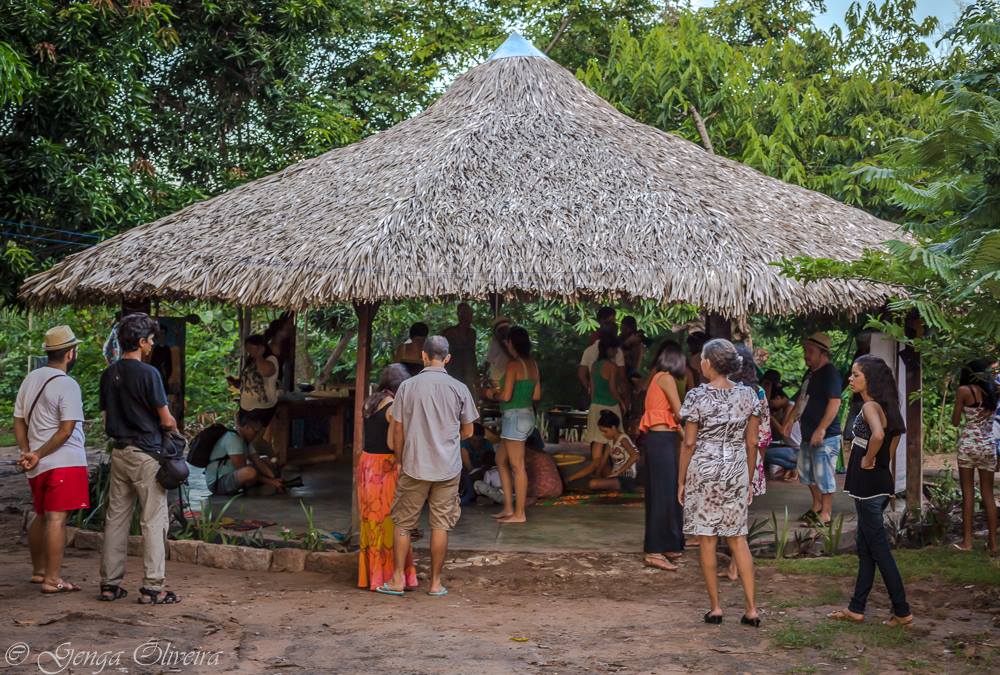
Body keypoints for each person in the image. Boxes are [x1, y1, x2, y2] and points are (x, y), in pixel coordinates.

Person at [379, 336, 479, 597]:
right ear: (447, 358)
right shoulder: (459, 388)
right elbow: (469, 431)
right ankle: (435, 584)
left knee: (403, 523)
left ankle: (398, 580)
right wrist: (448, 438)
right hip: (447, 468)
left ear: (423, 356)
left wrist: (400, 459)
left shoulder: (407, 387)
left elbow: (398, 429)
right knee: (440, 525)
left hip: (414, 464)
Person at [678, 338, 761, 627]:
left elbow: (689, 443)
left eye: (702, 358)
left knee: (707, 539)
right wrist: (748, 478)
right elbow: (752, 442)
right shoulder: (749, 395)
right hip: (736, 468)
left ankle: (715, 608)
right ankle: (752, 610)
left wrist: (681, 480)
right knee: (738, 538)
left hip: (704, 469)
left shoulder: (696, 396)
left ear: (708, 364)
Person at [99, 313, 180, 605]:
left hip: (119, 452)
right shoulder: (149, 374)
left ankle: (110, 584)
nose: (153, 344)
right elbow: (166, 419)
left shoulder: (109, 374)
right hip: (147, 455)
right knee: (153, 520)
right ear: (142, 342)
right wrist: (173, 430)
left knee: (116, 519)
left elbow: (106, 417)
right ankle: (153, 587)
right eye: (151, 340)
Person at [828, 355, 913, 627]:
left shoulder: (869, 407)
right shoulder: (888, 408)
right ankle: (856, 608)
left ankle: (902, 611)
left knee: (879, 551)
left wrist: (866, 460)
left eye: (856, 375)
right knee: (866, 549)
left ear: (870, 379)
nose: (850, 379)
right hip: (878, 484)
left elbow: (877, 436)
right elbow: (890, 446)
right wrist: (880, 470)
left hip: (868, 487)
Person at [13, 325, 89, 594]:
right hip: (63, 461)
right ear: (70, 353)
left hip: (38, 464)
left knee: (41, 514)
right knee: (57, 519)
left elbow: (18, 420)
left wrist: (28, 451)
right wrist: (38, 453)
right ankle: (53, 579)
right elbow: (66, 430)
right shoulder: (67, 384)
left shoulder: (31, 378)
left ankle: (39, 571)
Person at [357, 364, 418, 592]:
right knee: (391, 521)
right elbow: (393, 443)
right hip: (385, 466)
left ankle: (371, 576)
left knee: (371, 521)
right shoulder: (393, 408)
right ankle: (390, 576)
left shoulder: (369, 402)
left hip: (367, 464)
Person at [721, 345, 771, 581]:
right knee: (739, 512)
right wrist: (758, 466)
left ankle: (736, 565)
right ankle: (736, 564)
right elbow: (764, 435)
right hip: (748, 458)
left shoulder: (723, 391)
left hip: (726, 458)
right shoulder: (758, 392)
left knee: (731, 512)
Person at [482, 326, 540, 524]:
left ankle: (519, 513)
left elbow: (505, 396)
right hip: (527, 416)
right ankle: (508, 507)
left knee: (517, 466)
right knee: (500, 460)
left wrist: (491, 394)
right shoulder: (533, 364)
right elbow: (536, 395)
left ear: (510, 343)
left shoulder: (514, 365)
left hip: (514, 418)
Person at [786, 333, 843, 526]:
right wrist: (789, 420)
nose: (806, 355)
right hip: (807, 434)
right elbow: (801, 399)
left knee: (824, 474)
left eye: (810, 351)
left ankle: (826, 514)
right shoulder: (810, 374)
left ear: (823, 353)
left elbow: (835, 403)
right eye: (805, 351)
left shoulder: (830, 373)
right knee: (807, 474)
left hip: (826, 436)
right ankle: (817, 506)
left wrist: (822, 429)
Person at [639, 340, 686, 571]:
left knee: (666, 492)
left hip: (660, 440)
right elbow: (680, 413)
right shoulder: (666, 378)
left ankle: (668, 544)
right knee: (662, 494)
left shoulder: (656, 377)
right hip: (661, 441)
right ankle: (654, 551)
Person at [567, 333, 628, 486]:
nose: (616, 352)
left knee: (598, 447)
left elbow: (592, 390)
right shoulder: (612, 367)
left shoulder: (594, 366)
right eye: (614, 349)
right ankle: (601, 476)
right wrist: (622, 402)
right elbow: (613, 389)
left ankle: (591, 475)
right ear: (609, 350)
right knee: (612, 442)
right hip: (610, 407)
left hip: (595, 407)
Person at [952, 359, 998, 555]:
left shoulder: (964, 390)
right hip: (988, 446)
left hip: (969, 445)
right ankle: (993, 544)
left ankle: (967, 542)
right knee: (988, 494)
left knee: (968, 493)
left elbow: (955, 421)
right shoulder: (992, 391)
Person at [204, 414, 285, 496]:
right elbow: (243, 469)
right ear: (247, 427)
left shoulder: (246, 441)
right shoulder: (233, 438)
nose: (257, 435)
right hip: (218, 483)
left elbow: (258, 461)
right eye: (256, 432)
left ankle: (255, 487)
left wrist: (274, 478)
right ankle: (252, 488)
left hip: (233, 476)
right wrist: (271, 482)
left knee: (265, 460)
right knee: (250, 472)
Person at [227, 334, 280, 431]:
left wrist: (259, 356)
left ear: (261, 347)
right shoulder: (251, 361)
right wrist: (235, 382)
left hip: (261, 408)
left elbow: (265, 372)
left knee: (256, 436)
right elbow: (248, 383)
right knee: (244, 435)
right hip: (246, 407)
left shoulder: (270, 359)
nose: (249, 351)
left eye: (251, 348)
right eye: (248, 348)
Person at [587, 410, 639, 492]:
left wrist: (619, 472)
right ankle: (609, 484)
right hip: (615, 475)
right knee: (600, 468)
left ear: (613, 428)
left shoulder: (623, 439)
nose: (603, 434)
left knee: (592, 484)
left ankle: (614, 485)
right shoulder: (610, 441)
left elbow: (635, 456)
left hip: (626, 477)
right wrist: (597, 474)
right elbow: (603, 460)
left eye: (605, 431)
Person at [442, 302, 479, 396]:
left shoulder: (472, 333)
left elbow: (472, 353)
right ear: (459, 316)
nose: (470, 317)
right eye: (466, 314)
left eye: (470, 314)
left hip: (468, 372)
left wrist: (475, 373)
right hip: (453, 370)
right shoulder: (449, 333)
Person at [764, 385, 800, 481]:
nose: (771, 406)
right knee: (763, 448)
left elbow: (783, 431)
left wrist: (771, 417)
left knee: (766, 454)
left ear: (778, 397)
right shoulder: (784, 409)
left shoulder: (791, 405)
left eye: (771, 402)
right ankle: (794, 467)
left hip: (797, 449)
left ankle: (795, 467)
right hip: (789, 446)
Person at [484, 316, 512, 389]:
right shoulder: (495, 343)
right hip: (498, 377)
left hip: (506, 376)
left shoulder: (511, 341)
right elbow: (489, 360)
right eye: (503, 329)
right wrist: (485, 374)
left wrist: (484, 374)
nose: (505, 331)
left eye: (506, 329)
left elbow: (488, 360)